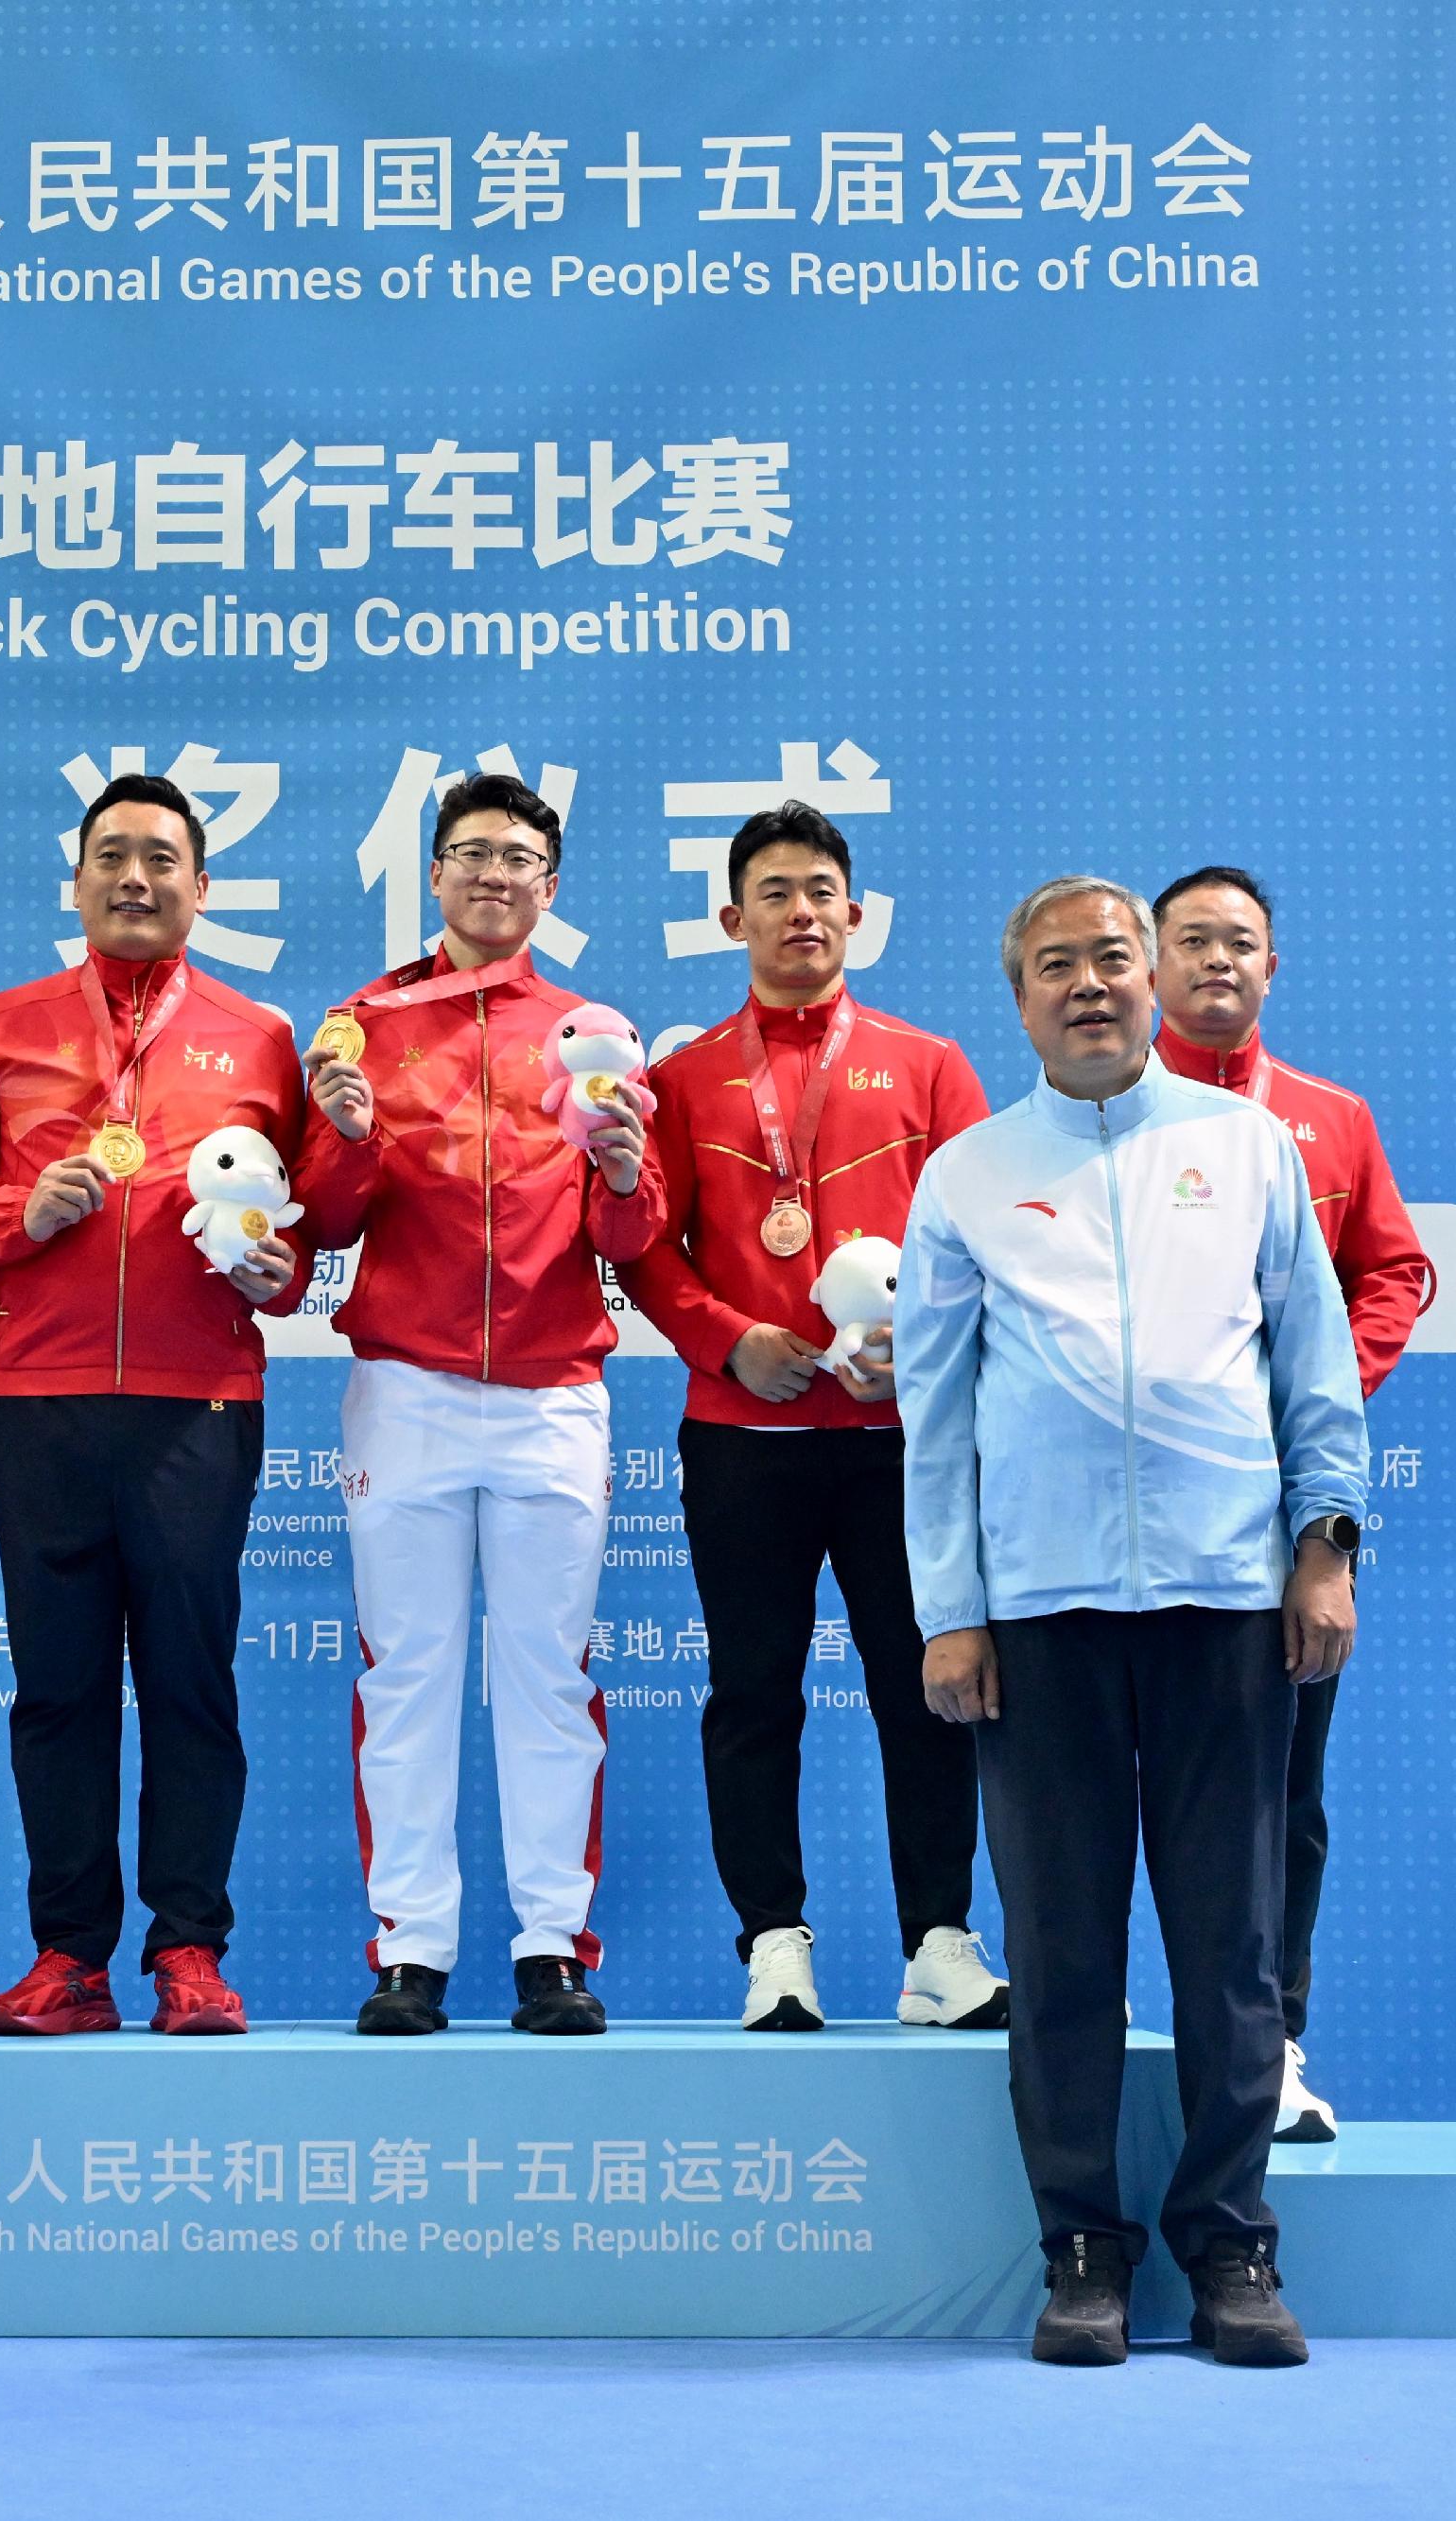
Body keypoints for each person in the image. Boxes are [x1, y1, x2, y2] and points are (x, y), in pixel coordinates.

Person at [897, 875, 1365, 2371]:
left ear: (1155, 975)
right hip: (1039, 1618)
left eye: (1112, 957)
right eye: (1056, 966)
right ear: (1017, 995)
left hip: (1229, 1602)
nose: (1089, 984)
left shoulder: (1244, 1149)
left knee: (1228, 1948)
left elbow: (1314, 1364)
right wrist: (952, 1610)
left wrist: (1324, 1546)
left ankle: (1231, 2247)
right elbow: (936, 1416)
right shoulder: (968, 1173)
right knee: (1063, 1945)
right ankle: (1082, 2245)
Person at [0, 772, 315, 2036]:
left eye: (163, 860)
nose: (137, 879)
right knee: (59, 1689)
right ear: (77, 881)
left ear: (204, 887)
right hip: (41, 1399)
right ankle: (67, 1956)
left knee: (192, 1683)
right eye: (112, 857)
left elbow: (298, 1238)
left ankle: (190, 1948)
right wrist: (11, 1218)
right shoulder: (5, 1021)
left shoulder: (259, 1038)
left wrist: (275, 1270)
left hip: (200, 1404)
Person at [293, 771, 664, 2038]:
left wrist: (622, 1165)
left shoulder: (592, 1029)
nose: (494, 874)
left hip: (554, 1391)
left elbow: (637, 1228)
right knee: (409, 1673)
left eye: (519, 857)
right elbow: (323, 1217)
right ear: (435, 876)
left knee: (550, 1673)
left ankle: (552, 1946)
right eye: (470, 854)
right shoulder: (367, 1023)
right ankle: (412, 1951)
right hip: (405, 1385)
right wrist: (340, 1136)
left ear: (550, 888)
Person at [622, 801, 1000, 2034]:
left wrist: (919, 1347)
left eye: (821, 889)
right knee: (752, 1693)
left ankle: (939, 1941)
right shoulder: (678, 1078)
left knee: (929, 1687)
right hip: (744, 1439)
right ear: (730, 916)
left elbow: (979, 1241)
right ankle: (774, 1944)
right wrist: (732, 1340)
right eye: (774, 891)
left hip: (906, 1442)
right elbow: (646, 1254)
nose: (801, 912)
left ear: (856, 911)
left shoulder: (930, 1062)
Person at [1149, 864, 1429, 2146]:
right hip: (1126, 1516)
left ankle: (1273, 2048)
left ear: (1274, 967)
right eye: (1192, 941)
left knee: (1279, 1796)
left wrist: (1316, 1400)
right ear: (1145, 964)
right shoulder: (1098, 1116)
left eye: (1240, 944)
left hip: (1285, 1512)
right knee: (1109, 1802)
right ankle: (1121, 2054)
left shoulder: (1330, 1116)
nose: (1217, 961)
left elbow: (1394, 1270)